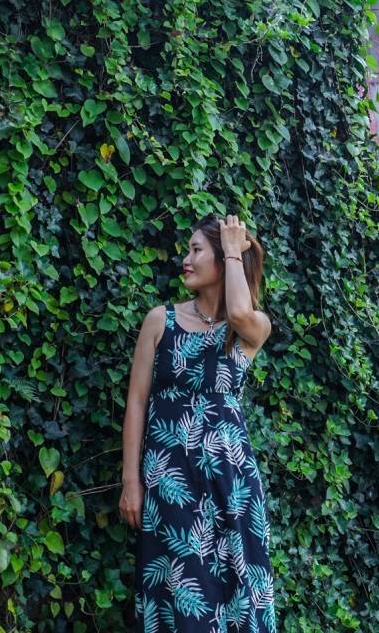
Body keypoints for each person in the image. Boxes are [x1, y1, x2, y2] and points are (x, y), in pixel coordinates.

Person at [120, 214, 276, 631]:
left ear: (224, 261)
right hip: (170, 479)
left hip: (231, 482)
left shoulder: (252, 328)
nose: (185, 260)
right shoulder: (161, 321)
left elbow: (239, 311)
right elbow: (137, 402)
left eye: (196, 250)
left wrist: (233, 248)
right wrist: (131, 480)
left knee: (237, 589)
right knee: (182, 592)